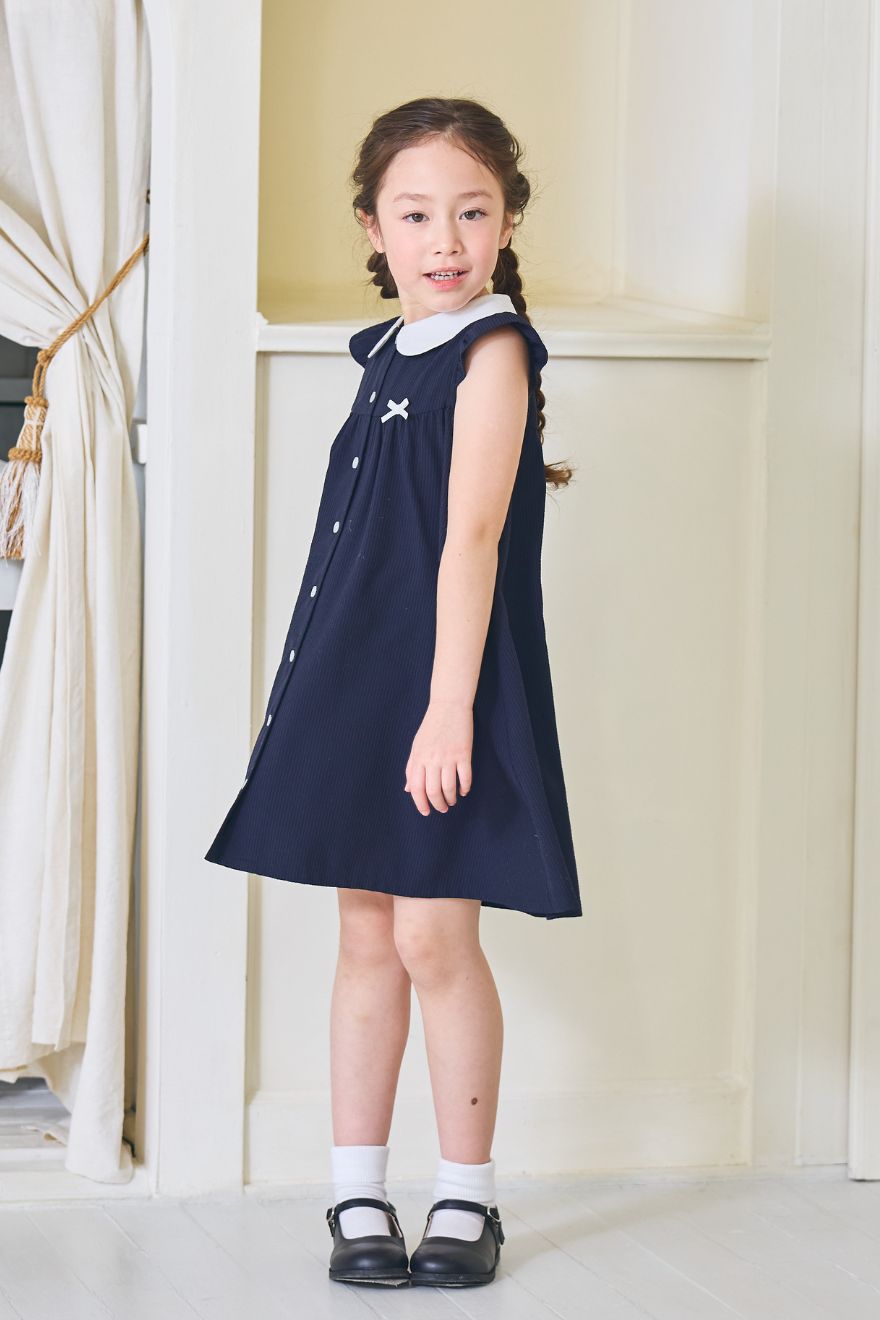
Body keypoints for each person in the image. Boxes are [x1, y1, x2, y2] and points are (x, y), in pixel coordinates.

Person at [205, 95, 582, 1288]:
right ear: (373, 229)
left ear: (507, 220)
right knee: (365, 930)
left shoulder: (493, 351)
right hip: (354, 674)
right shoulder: (384, 353)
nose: (444, 239)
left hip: (440, 687)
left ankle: (466, 1197)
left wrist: (449, 708)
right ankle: (356, 1193)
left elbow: (470, 541)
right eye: (415, 215)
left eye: (471, 212)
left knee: (432, 933)